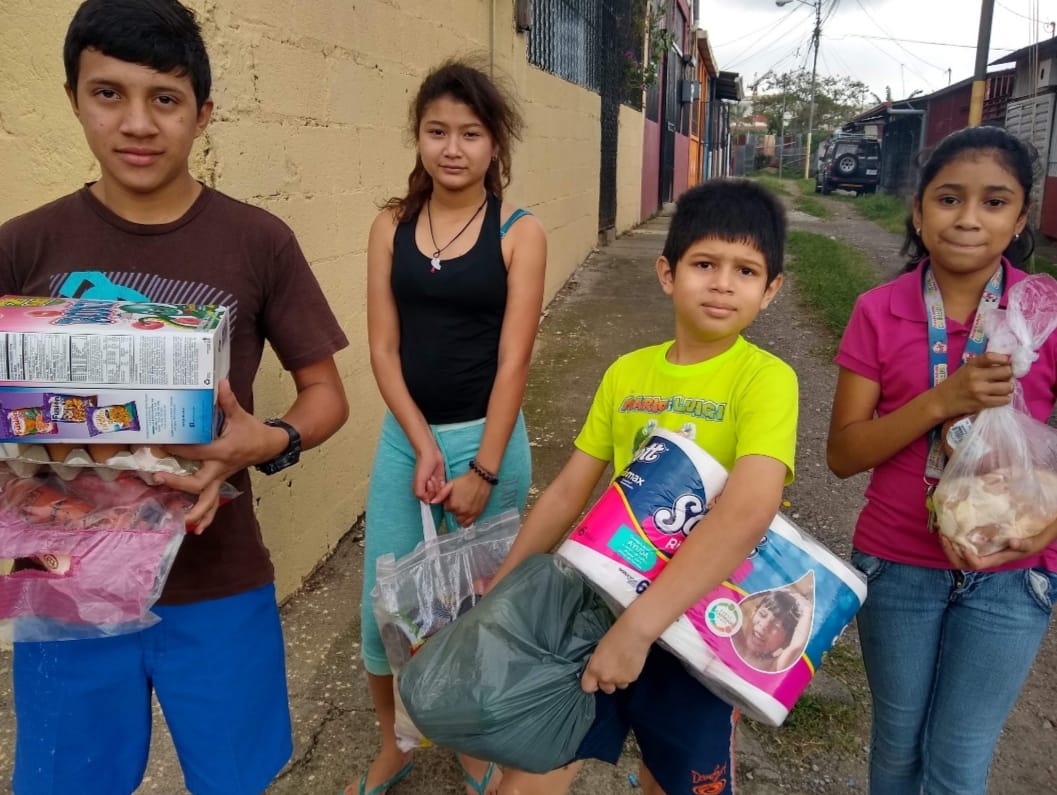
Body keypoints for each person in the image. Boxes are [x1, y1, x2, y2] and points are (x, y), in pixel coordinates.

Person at [0, 1, 350, 793]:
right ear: (72, 97)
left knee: (234, 778)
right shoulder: (24, 245)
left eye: (164, 98)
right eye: (108, 93)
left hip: (216, 579)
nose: (137, 123)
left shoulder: (258, 241)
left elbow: (325, 391)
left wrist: (270, 440)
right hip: (62, 579)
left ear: (203, 114)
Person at [489, 178, 797, 795]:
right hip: (599, 610)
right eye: (704, 264)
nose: (721, 283)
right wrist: (505, 584)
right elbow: (567, 492)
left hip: (695, 633)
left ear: (770, 291)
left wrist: (639, 630)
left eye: (745, 270)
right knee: (524, 779)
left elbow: (748, 511)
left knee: (675, 783)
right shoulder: (626, 373)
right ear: (667, 272)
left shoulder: (766, 381)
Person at [827, 125, 1057, 795]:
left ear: (1019, 220)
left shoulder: (1042, 314)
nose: (967, 218)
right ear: (917, 211)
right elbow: (842, 453)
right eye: (948, 198)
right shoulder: (879, 310)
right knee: (896, 751)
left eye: (994, 202)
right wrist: (939, 401)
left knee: (957, 761)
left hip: (1014, 568)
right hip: (896, 562)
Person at [353, 59, 546, 795]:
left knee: (474, 614)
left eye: (470, 133)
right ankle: (394, 740)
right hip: (408, 439)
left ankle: (469, 739)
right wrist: (422, 440)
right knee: (385, 612)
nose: (453, 148)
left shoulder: (518, 232)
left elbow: (514, 360)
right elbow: (381, 347)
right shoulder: (389, 225)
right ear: (417, 137)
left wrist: (483, 469)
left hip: (490, 443)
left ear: (495, 143)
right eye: (437, 131)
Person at [731, 588, 809, 674]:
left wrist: (807, 609)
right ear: (753, 613)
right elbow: (731, 602)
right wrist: (768, 590)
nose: (764, 625)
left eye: (776, 626)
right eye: (762, 614)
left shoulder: (773, 666)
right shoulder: (734, 637)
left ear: (786, 642)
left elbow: (797, 646)